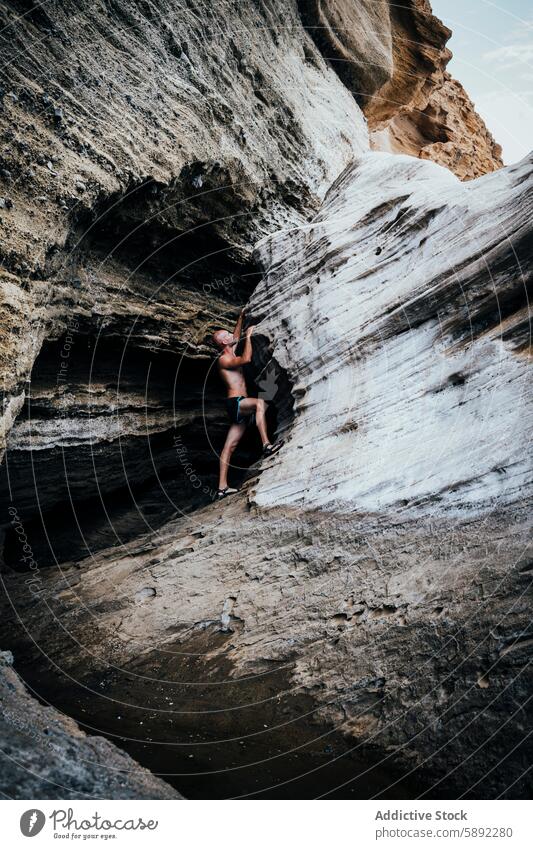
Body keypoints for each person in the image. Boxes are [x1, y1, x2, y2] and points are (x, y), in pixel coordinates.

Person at [212, 309, 278, 499]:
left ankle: (222, 488)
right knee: (259, 404)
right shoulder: (224, 359)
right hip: (236, 402)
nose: (232, 335)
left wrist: (240, 318)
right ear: (224, 342)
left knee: (229, 447)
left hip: (237, 405)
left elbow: (235, 334)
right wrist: (248, 337)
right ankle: (266, 444)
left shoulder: (229, 350)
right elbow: (246, 359)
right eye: (227, 335)